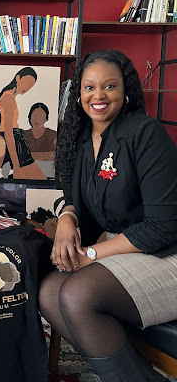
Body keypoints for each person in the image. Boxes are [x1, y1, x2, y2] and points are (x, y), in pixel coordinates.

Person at [39, 49, 177, 382]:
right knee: (49, 291)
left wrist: (91, 254)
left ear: (125, 91)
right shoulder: (82, 139)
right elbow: (74, 200)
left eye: (109, 87)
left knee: (78, 294)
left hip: (167, 252)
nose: (98, 95)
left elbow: (164, 227)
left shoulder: (146, 134)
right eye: (89, 87)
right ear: (79, 94)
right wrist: (67, 221)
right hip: (126, 251)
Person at [0, 67, 46, 180]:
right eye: (26, 83)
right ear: (18, 78)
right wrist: (17, 166)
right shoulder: (9, 99)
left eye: (30, 86)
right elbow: (9, 133)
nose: (27, 88)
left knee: (37, 180)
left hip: (16, 142)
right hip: (15, 143)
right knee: (41, 181)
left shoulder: (8, 96)